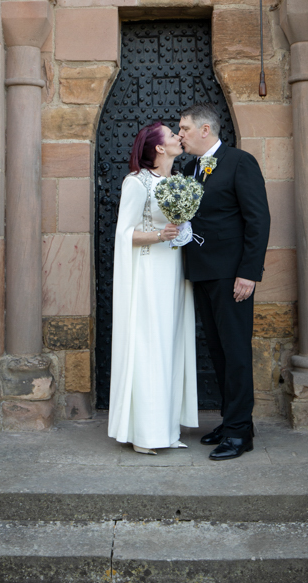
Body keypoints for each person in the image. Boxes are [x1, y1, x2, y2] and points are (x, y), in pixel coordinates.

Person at [179, 103, 271, 461]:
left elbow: (257, 220)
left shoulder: (239, 162)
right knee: (216, 351)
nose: (180, 134)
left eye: (185, 128)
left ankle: (238, 433)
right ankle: (232, 421)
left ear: (206, 130)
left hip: (233, 276)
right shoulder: (190, 168)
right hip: (201, 272)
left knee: (235, 352)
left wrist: (249, 272)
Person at [108, 121, 199, 454]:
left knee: (170, 344)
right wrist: (159, 235)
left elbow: (181, 228)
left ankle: (168, 429)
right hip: (148, 272)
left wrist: (183, 232)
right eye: (172, 135)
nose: (178, 137)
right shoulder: (137, 182)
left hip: (172, 271)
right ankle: (146, 434)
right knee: (149, 346)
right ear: (159, 148)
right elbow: (125, 233)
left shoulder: (178, 182)